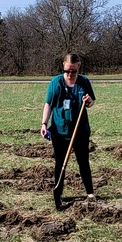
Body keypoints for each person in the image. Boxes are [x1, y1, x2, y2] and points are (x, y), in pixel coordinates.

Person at [39, 53, 96, 209]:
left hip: (80, 130)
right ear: (63, 67)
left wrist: (89, 102)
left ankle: (90, 193)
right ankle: (58, 193)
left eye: (73, 71)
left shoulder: (84, 82)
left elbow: (91, 101)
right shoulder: (55, 83)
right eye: (67, 71)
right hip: (60, 130)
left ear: (78, 67)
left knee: (83, 161)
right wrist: (44, 123)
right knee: (60, 163)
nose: (70, 75)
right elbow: (48, 104)